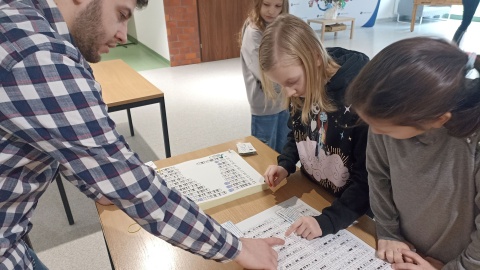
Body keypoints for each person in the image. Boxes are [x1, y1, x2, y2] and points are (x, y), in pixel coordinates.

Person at [0, 0, 285, 269]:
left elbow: (65, 141)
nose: (124, 35)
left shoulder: (22, 19)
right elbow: (136, 188)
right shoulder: (39, 57)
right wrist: (238, 248)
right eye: (122, 15)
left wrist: (100, 184)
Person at [345, 37, 480, 269]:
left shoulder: (470, 143)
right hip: (408, 246)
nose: (375, 132)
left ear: (438, 120)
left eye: (385, 129)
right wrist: (388, 232)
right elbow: (378, 175)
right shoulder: (385, 118)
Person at [259, 14, 371, 240]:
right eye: (280, 85)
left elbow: (368, 180)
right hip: (316, 195)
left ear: (315, 58)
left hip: (351, 213)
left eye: (291, 82)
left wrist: (329, 221)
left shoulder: (361, 96)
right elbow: (297, 132)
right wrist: (286, 164)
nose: (288, 92)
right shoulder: (303, 84)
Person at [240, 0, 290, 153]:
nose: (271, 11)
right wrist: (289, 83)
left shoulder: (280, 28)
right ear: (258, 4)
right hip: (264, 105)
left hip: (284, 100)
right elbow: (263, 73)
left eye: (277, 6)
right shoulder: (253, 33)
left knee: (284, 146)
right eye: (266, 5)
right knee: (264, 152)